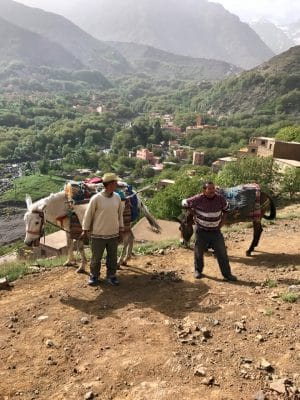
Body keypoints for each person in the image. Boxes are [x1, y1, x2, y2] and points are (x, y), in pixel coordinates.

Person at [182, 181, 237, 282]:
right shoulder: (198, 199)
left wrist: (222, 223)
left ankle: (227, 275)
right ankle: (198, 271)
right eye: (209, 189)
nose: (212, 191)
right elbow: (184, 203)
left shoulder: (220, 198)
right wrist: (193, 212)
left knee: (222, 253)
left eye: (213, 188)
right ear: (204, 190)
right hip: (201, 230)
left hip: (216, 231)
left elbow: (226, 209)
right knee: (198, 252)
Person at [81, 172, 124, 286]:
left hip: (113, 234)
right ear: (108, 184)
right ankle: (94, 276)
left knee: (112, 257)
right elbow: (88, 215)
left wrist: (121, 230)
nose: (116, 185)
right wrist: (85, 230)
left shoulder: (117, 197)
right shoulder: (96, 198)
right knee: (96, 258)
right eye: (115, 183)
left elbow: (119, 215)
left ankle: (111, 276)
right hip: (97, 234)